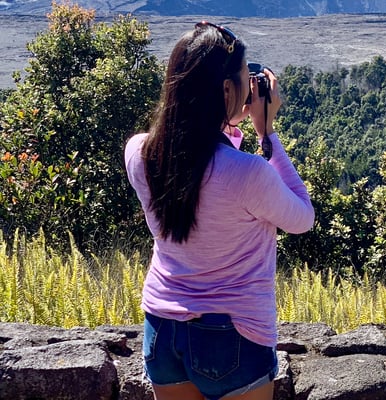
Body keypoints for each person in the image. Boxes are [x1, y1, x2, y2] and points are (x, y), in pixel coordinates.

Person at [124, 21, 314, 400]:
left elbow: (199, 168)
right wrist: (267, 133)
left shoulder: (140, 153)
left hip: (162, 327)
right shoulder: (249, 173)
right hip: (234, 335)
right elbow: (302, 218)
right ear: (228, 90)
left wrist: (225, 121)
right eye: (245, 78)